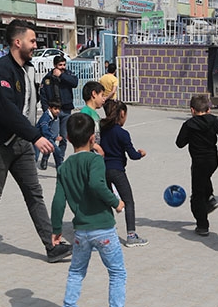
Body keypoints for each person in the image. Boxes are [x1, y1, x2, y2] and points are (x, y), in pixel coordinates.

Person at [0, 19, 72, 267]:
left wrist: (31, 135)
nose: (35, 45)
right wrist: (36, 136)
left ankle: (51, 246)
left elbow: (25, 109)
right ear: (17, 42)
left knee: (34, 194)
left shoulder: (24, 69)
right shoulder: (0, 72)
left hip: (20, 144)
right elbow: (6, 112)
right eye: (32, 41)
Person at [51, 113, 126, 307]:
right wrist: (116, 202)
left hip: (81, 232)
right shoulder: (95, 161)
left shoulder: (64, 167)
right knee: (117, 272)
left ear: (68, 138)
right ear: (93, 138)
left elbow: (58, 201)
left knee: (76, 272)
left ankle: (69, 304)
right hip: (104, 228)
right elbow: (96, 184)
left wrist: (56, 229)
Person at [175, 94, 218, 236]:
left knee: (197, 194)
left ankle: (202, 225)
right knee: (205, 179)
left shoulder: (188, 125)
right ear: (208, 109)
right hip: (213, 161)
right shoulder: (214, 121)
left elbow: (179, 143)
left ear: (192, 110)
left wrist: (188, 134)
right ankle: (210, 198)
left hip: (198, 162)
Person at [100, 101, 148, 247]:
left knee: (107, 201)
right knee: (128, 202)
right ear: (122, 114)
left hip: (103, 170)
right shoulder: (122, 133)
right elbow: (132, 155)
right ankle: (131, 235)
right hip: (117, 171)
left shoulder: (102, 130)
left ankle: (106, 232)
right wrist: (141, 154)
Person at [40, 55, 79, 160]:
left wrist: (62, 76)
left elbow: (75, 83)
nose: (62, 67)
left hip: (66, 110)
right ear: (54, 65)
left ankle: (60, 158)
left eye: (64, 65)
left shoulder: (67, 74)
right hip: (53, 111)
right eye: (60, 65)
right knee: (52, 136)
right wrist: (46, 110)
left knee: (64, 137)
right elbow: (43, 95)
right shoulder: (48, 78)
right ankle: (45, 157)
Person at [79, 81, 106, 156]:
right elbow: (82, 134)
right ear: (94, 94)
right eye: (102, 95)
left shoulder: (94, 113)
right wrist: (96, 147)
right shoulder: (86, 112)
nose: (103, 99)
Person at [35, 100, 63, 171]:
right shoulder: (46, 117)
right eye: (55, 109)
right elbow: (44, 129)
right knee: (35, 155)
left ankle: (60, 168)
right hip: (39, 137)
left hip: (44, 136)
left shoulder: (51, 115)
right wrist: (54, 137)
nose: (57, 111)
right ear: (50, 108)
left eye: (59, 109)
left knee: (57, 151)